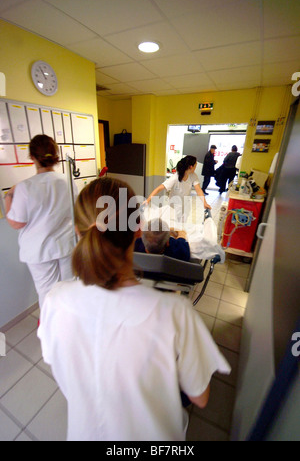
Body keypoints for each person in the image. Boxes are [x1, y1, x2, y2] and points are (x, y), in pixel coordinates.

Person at [38, 177, 230, 441]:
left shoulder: (54, 300)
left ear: (76, 230)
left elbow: (60, 362)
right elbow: (200, 395)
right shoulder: (175, 313)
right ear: (138, 229)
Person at [5, 134, 77, 308]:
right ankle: (70, 327)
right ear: (55, 156)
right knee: (68, 288)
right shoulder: (67, 181)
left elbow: (16, 223)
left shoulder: (24, 187)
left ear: (32, 157)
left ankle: (52, 331)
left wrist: (8, 197)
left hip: (40, 251)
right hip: (66, 246)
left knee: (47, 293)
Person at [146, 155, 211, 222]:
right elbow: (159, 188)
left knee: (182, 225)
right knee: (173, 225)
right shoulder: (175, 177)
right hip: (174, 206)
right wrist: (148, 200)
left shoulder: (193, 176)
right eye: (195, 165)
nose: (195, 167)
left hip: (185, 205)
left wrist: (204, 203)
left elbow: (198, 190)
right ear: (191, 167)